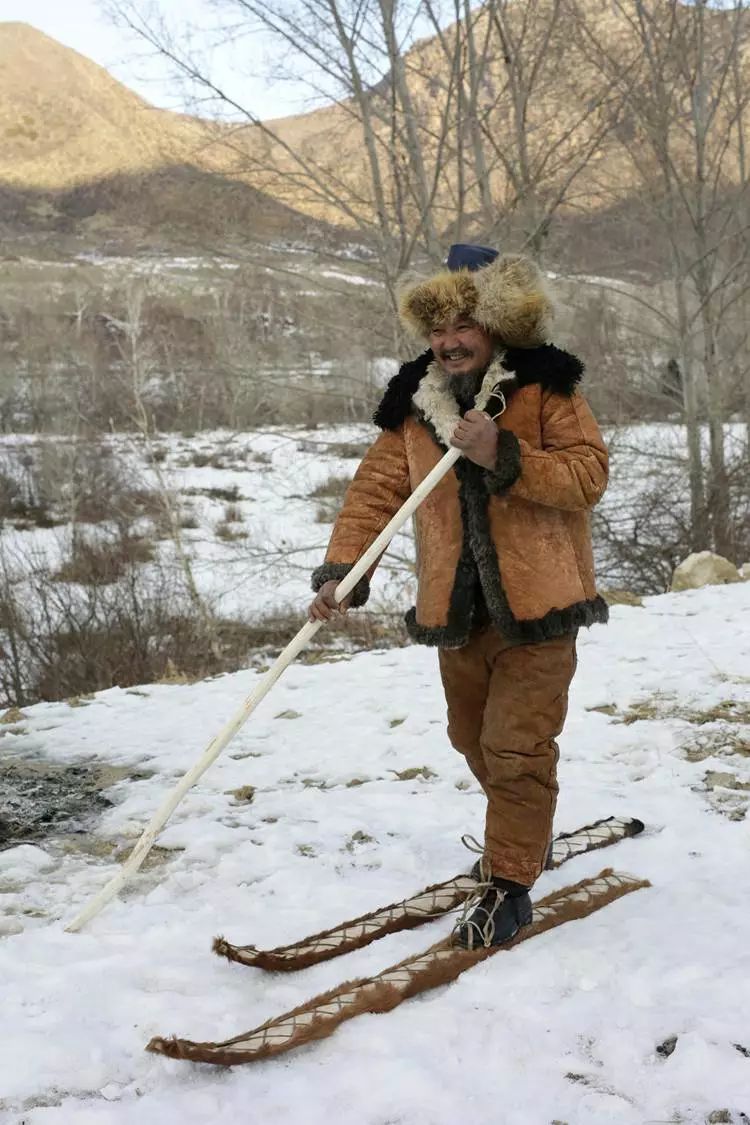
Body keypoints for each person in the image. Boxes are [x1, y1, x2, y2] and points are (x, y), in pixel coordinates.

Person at [308, 244, 609, 950]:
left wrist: (503, 453)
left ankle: (509, 883)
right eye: (437, 330)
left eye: (463, 325)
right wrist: (342, 570)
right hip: (458, 612)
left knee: (515, 747)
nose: (449, 341)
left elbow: (588, 474)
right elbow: (378, 489)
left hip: (540, 610)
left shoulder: (545, 386)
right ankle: (519, 828)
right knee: (470, 739)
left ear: (496, 324)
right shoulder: (415, 402)